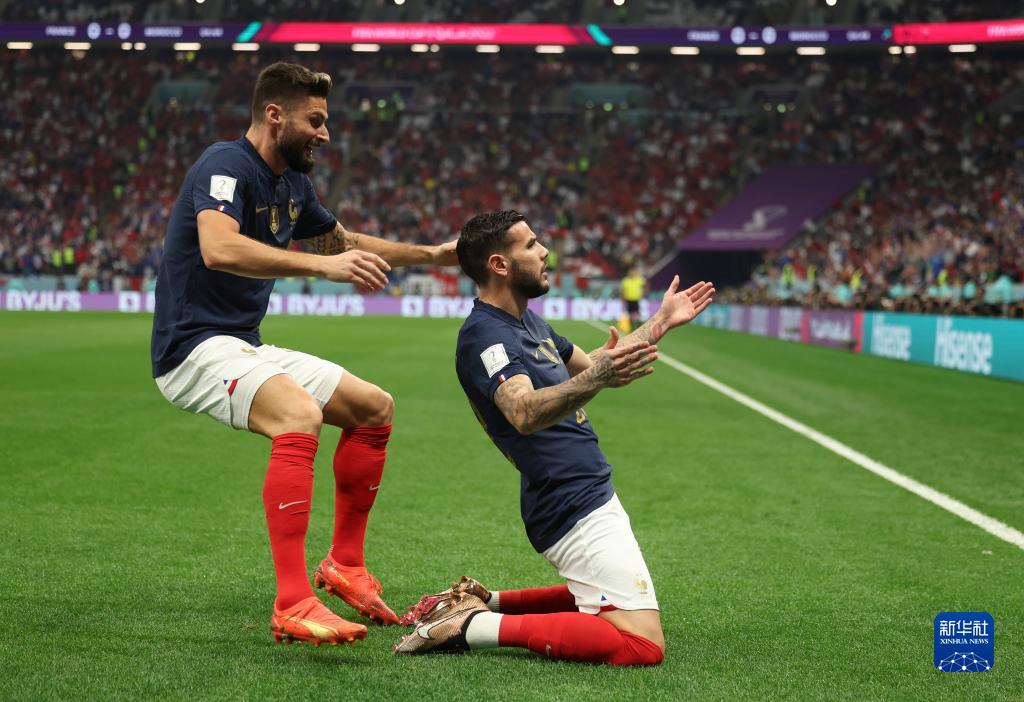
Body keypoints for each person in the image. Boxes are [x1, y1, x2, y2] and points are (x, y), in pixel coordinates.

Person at [151, 62, 457, 646]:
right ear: (275, 115)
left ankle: (344, 564)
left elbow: (343, 243)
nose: (325, 133)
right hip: (190, 347)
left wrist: (431, 255)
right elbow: (218, 248)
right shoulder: (224, 164)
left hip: (241, 344)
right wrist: (321, 267)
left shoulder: (292, 184)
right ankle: (292, 601)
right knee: (299, 414)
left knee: (374, 407)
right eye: (315, 120)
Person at [394, 210, 714, 665]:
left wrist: (660, 322)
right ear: (499, 264)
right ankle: (470, 626)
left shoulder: (529, 323)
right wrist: (599, 375)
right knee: (641, 645)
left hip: (585, 487)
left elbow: (597, 365)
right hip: (568, 500)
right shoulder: (486, 336)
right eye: (531, 244)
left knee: (599, 598)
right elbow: (522, 412)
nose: (545, 252)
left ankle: (487, 602)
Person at [620, 265, 646, 333]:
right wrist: (623, 299)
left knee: (637, 313)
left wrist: (643, 293)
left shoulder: (639, 279)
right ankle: (631, 327)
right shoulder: (625, 280)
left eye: (633, 271)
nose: (632, 273)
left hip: (636, 299)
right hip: (628, 299)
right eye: (631, 271)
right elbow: (623, 290)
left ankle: (638, 326)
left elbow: (645, 286)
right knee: (629, 313)